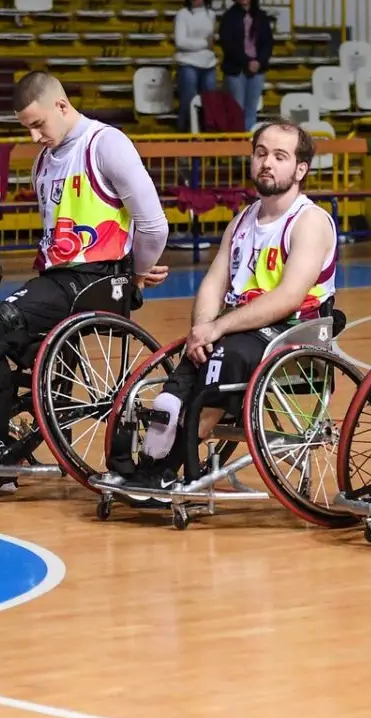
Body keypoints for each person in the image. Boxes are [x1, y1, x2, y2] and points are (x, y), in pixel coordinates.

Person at [102, 121, 335, 491]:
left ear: (301, 169)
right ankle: (145, 464)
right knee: (168, 399)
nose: (267, 163)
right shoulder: (242, 220)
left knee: (218, 367)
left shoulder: (310, 221)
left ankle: (166, 471)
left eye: (280, 156)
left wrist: (219, 328)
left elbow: (289, 297)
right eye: (261, 154)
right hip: (236, 331)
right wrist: (202, 329)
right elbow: (213, 282)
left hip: (289, 334)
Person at [0, 71, 170, 454]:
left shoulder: (105, 144)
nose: (35, 137)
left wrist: (136, 275)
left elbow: (153, 224)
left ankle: (1, 446)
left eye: (38, 125)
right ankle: (26, 427)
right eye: (28, 129)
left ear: (61, 104)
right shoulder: (45, 160)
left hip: (94, 279)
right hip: (58, 279)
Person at [220, 0, 274, 130]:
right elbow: (228, 45)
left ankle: (247, 150)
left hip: (257, 70)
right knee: (237, 111)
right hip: (236, 70)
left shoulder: (262, 17)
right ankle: (237, 152)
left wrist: (259, 61)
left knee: (251, 111)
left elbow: (268, 43)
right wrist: (246, 62)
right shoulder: (229, 18)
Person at [171, 0, 216, 133]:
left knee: (209, 106)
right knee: (187, 103)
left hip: (209, 64)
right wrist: (205, 44)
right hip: (188, 64)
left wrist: (207, 45)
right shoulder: (182, 14)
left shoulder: (211, 14)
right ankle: (183, 141)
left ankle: (206, 144)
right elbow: (181, 42)